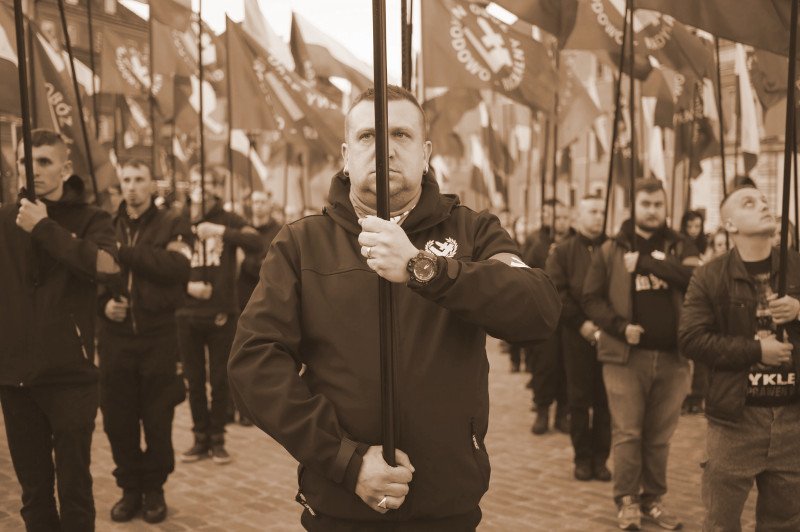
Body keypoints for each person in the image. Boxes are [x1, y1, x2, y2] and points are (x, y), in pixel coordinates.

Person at [228, 85, 561, 531]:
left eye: (400, 135)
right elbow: (253, 363)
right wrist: (347, 461)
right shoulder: (301, 244)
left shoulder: (473, 231)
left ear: (425, 153)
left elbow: (539, 307)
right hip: (341, 506)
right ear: (346, 154)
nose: (384, 148)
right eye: (368, 137)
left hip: (446, 505)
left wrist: (425, 268)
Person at [0, 129, 120, 531]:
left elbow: (107, 267)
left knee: (74, 489)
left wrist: (45, 228)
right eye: (24, 162)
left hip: (71, 376)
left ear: (66, 168)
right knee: (33, 493)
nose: (32, 171)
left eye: (44, 162)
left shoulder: (93, 218)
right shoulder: (3, 220)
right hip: (16, 379)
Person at [679, 185, 800, 531]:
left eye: (764, 200)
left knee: (786, 522)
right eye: (749, 203)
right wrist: (757, 350)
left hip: (792, 420)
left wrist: (799, 310)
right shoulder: (710, 275)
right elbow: (691, 339)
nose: (763, 205)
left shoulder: (796, 266)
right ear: (729, 224)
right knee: (720, 521)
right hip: (735, 419)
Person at [583, 178, 699, 531]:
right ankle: (628, 500)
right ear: (634, 208)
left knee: (660, 436)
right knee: (628, 433)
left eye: (658, 205)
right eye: (646, 204)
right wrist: (620, 327)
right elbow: (591, 298)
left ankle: (654, 500)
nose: (653, 211)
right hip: (625, 359)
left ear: (666, 208)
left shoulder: (681, 245)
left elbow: (697, 279)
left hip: (673, 359)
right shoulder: (610, 249)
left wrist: (649, 263)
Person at [97, 159, 192, 523]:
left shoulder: (172, 222)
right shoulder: (106, 225)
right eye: (126, 180)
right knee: (118, 421)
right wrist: (105, 305)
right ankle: (129, 488)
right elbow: (90, 275)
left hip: (158, 339)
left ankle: (154, 489)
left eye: (139, 179)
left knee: (157, 419)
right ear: (119, 185)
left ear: (152, 184)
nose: (132, 187)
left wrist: (126, 253)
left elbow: (177, 267)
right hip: (115, 341)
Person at [176, 165, 263, 464]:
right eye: (196, 181)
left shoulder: (228, 218)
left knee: (220, 377)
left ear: (216, 187)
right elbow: (165, 260)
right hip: (187, 312)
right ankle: (199, 436)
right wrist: (186, 285)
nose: (200, 187)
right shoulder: (179, 218)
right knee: (194, 378)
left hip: (221, 311)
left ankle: (217, 437)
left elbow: (256, 242)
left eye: (207, 182)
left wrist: (221, 231)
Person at [545, 194, 611, 482]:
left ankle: (601, 459)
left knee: (606, 402)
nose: (598, 217)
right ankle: (582, 458)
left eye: (601, 211)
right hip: (576, 336)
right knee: (580, 400)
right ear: (578, 217)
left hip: (610, 335)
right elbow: (557, 293)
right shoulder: (563, 252)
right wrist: (582, 324)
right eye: (592, 211)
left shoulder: (613, 249)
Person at [230, 189, 281, 426]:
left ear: (270, 204)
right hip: (242, 298)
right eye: (255, 202)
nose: (258, 206)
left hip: (267, 301)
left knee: (262, 357)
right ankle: (240, 407)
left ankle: (259, 407)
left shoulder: (279, 231)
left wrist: (247, 262)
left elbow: (269, 267)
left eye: (262, 202)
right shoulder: (245, 231)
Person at [523, 199, 572, 434]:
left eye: (564, 217)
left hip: (569, 316)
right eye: (556, 218)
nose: (560, 222)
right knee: (545, 365)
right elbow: (526, 271)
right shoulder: (538, 242)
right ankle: (542, 409)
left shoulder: (574, 242)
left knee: (566, 366)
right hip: (543, 315)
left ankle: (563, 411)